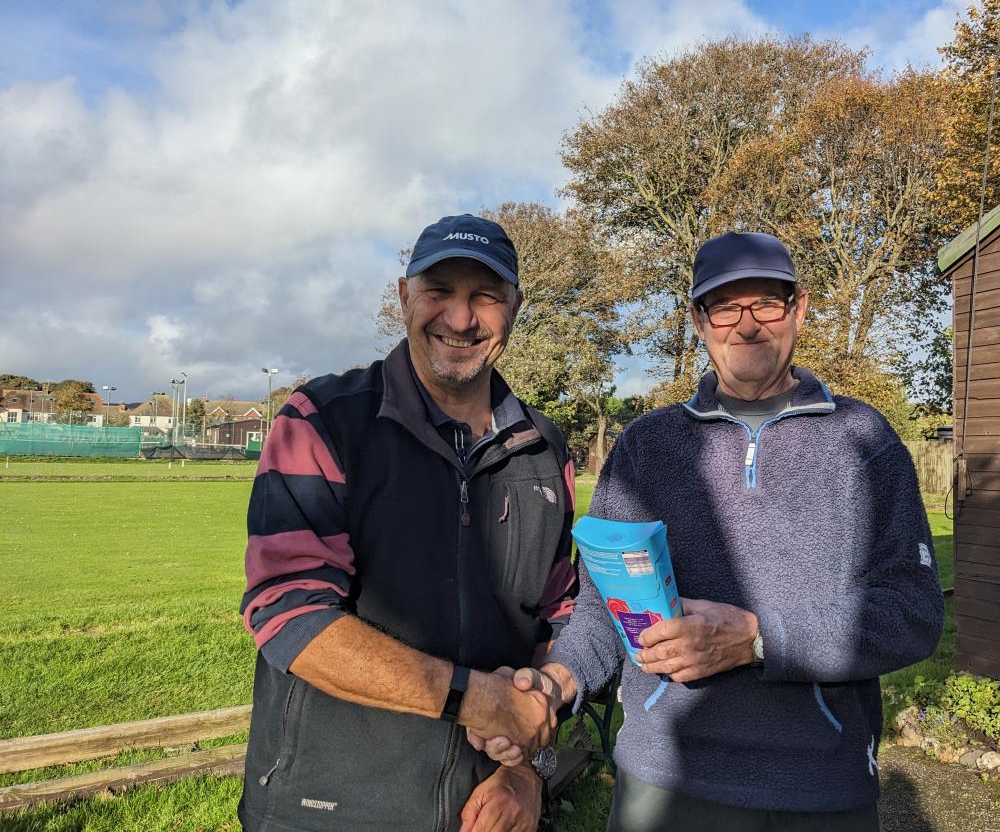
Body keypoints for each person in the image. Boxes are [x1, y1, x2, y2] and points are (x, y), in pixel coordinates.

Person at [476, 231, 945, 831]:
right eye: (725, 307)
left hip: (820, 787)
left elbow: (912, 612)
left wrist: (759, 640)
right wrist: (553, 683)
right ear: (700, 321)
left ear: (799, 309)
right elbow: (601, 613)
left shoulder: (863, 440)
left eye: (766, 303)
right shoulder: (647, 447)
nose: (746, 325)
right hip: (664, 780)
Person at [238, 213, 576, 832]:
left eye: (485, 296)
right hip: (329, 812)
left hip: (490, 806)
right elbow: (290, 614)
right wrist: (475, 699)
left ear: (515, 308)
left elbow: (561, 618)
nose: (460, 318)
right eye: (439, 291)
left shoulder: (545, 450)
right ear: (403, 297)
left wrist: (527, 770)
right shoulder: (322, 420)